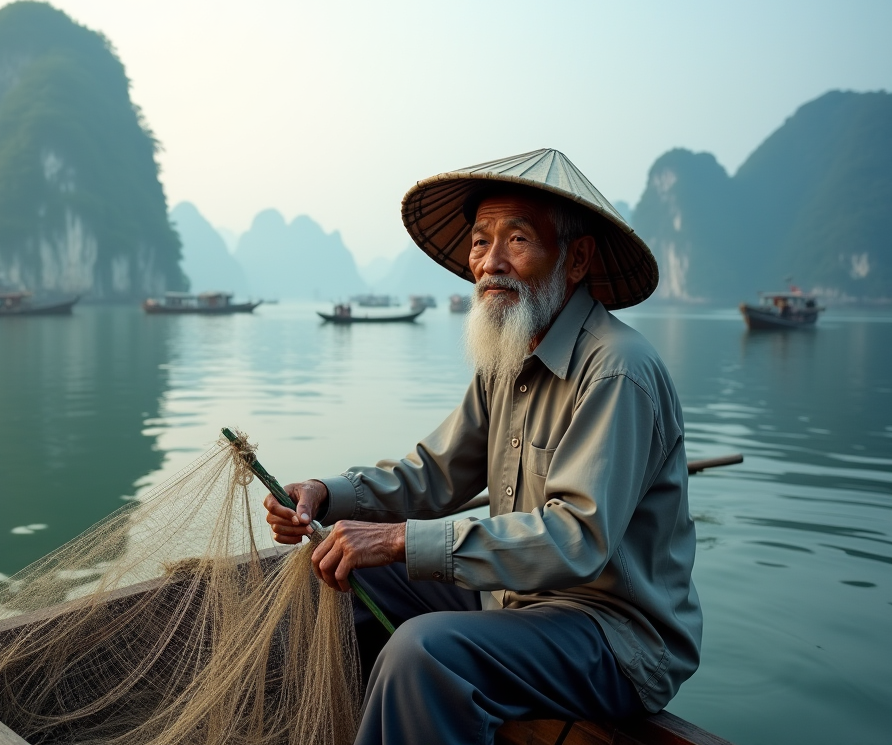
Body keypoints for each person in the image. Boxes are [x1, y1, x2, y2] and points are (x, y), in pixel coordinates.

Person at [264, 149, 701, 745]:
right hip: (516, 597)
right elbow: (433, 474)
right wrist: (328, 494)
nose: (490, 263)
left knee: (423, 654)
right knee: (331, 580)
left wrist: (398, 540)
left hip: (613, 632)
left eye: (517, 239)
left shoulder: (616, 371)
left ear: (576, 260)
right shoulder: (508, 358)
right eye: (479, 242)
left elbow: (574, 539)